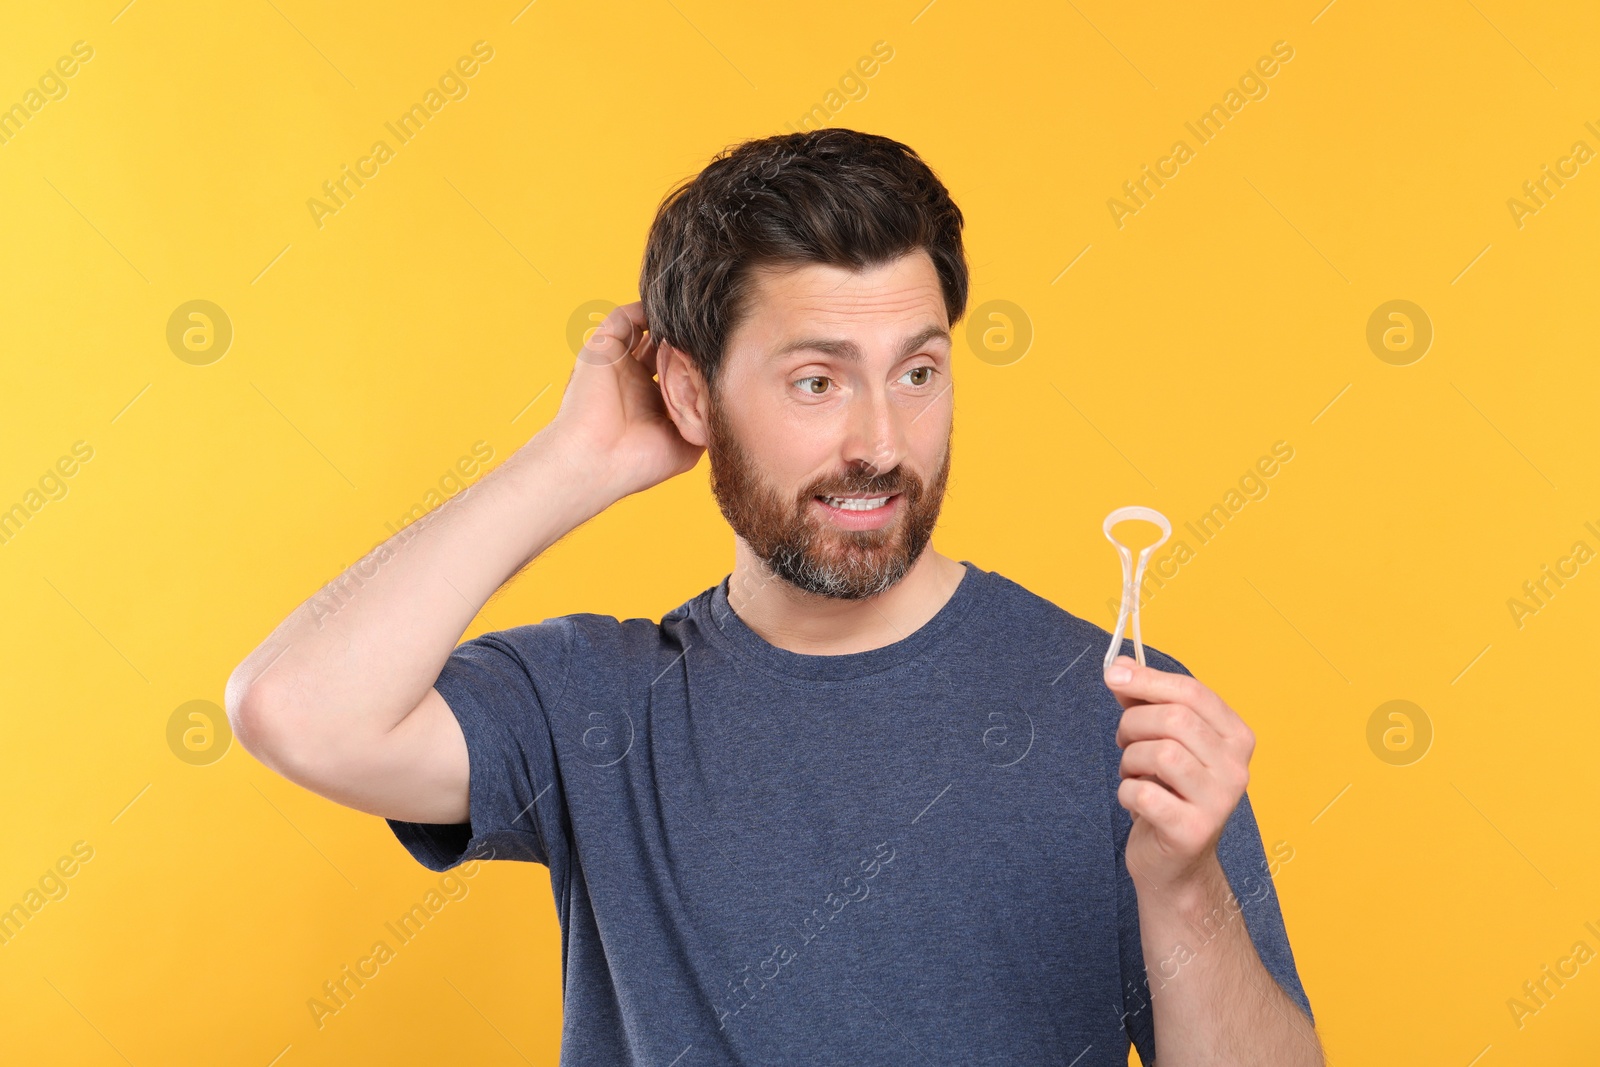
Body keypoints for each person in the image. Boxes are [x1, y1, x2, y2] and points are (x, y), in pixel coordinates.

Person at [226, 128, 1323, 1066]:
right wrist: (575, 460)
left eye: (917, 371)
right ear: (691, 391)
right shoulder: (596, 705)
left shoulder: (1119, 710)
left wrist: (1182, 889)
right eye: (816, 379)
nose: (880, 443)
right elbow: (295, 708)